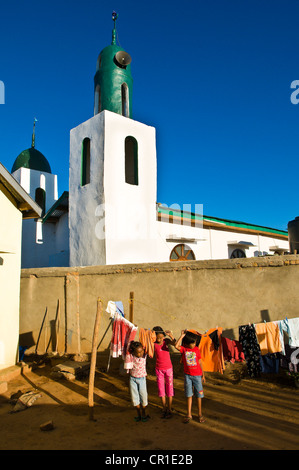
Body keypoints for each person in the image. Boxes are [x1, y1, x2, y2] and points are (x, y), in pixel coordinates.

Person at [175, 329, 206, 423]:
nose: (194, 344)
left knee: (199, 396)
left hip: (197, 376)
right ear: (187, 343)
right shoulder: (184, 349)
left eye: (195, 342)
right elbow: (176, 345)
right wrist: (182, 336)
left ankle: (200, 414)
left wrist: (203, 375)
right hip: (188, 376)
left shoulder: (196, 349)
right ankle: (189, 414)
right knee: (189, 395)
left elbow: (200, 361)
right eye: (192, 343)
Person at [152, 326, 176, 418]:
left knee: (169, 389)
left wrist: (171, 336)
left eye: (161, 337)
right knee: (161, 390)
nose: (160, 339)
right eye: (158, 337)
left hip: (168, 369)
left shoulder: (166, 341)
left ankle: (169, 408)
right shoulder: (153, 344)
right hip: (159, 370)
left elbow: (175, 344)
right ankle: (164, 408)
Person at [127, 341, 150, 422]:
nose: (140, 353)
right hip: (133, 379)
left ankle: (143, 414)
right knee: (135, 397)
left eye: (141, 351)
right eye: (138, 352)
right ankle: (139, 415)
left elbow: (148, 347)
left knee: (143, 396)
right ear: (133, 352)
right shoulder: (131, 356)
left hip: (142, 379)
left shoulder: (144, 356)